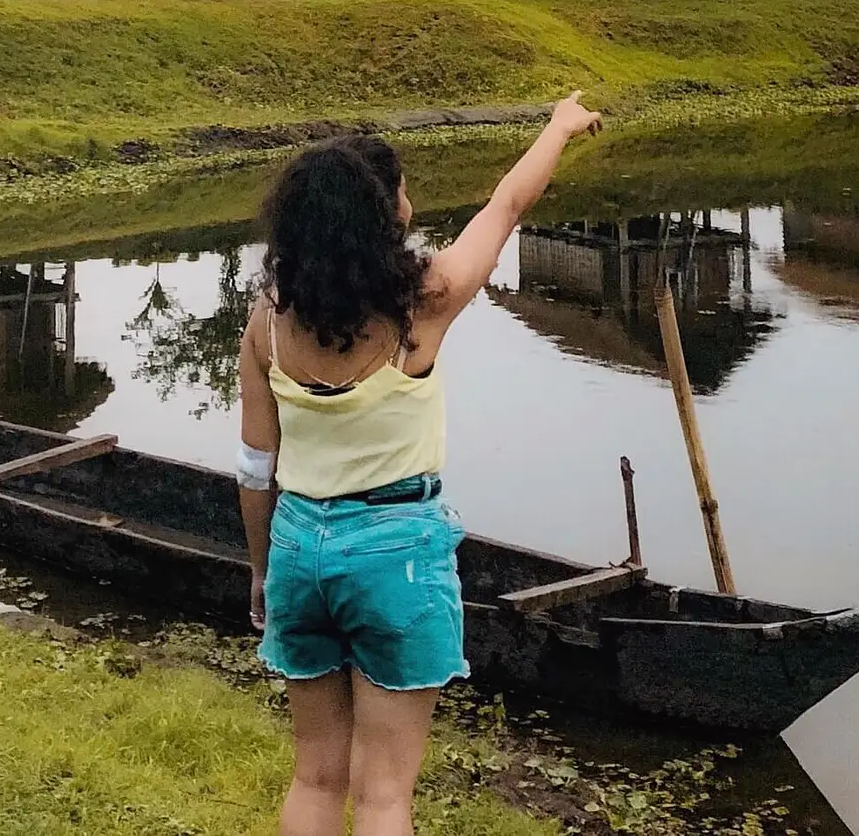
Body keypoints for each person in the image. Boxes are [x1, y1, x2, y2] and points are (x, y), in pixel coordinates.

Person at [236, 92, 603, 836]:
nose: (408, 199)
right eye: (396, 190)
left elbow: (253, 467)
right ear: (375, 217)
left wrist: (261, 570)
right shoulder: (420, 303)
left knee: (314, 774)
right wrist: (558, 126)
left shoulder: (266, 320)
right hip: (396, 551)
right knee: (383, 794)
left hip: (301, 549)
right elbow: (505, 205)